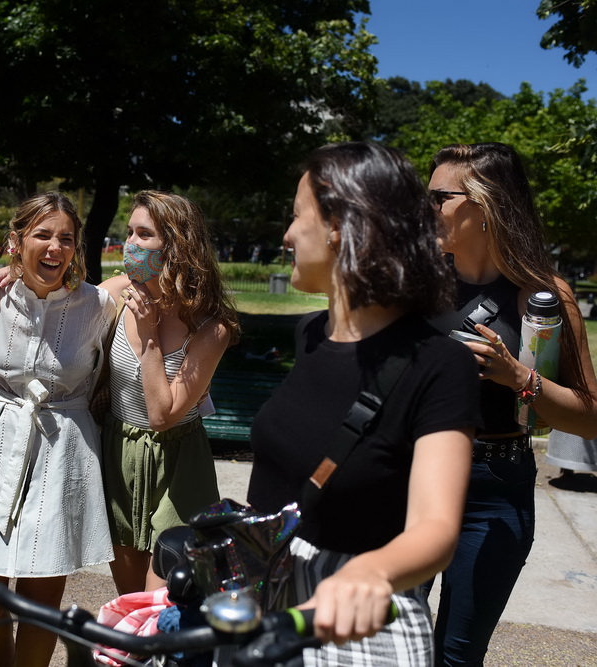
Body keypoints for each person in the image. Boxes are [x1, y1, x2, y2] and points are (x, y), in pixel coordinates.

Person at [247, 142, 479, 663]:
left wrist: (371, 573)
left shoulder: (440, 365)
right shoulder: (309, 334)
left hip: (358, 628)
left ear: (338, 225)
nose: (286, 235)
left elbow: (435, 527)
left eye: (296, 215)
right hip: (267, 602)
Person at [425, 142, 597, 666]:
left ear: (484, 204)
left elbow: (589, 416)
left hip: (495, 491)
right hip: (412, 479)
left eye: (438, 197)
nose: (426, 209)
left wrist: (519, 377)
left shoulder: (543, 296)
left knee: (456, 654)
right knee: (390, 645)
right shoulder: (416, 285)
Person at [0, 192, 117, 667]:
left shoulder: (97, 304)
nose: (55, 248)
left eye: (65, 238)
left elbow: (135, 281)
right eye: (42, 235)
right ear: (17, 239)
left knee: (40, 589)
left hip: (64, 448)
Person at [99, 191, 240, 594]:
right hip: (119, 452)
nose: (130, 244)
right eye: (130, 232)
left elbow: (164, 415)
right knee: (129, 598)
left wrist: (149, 341)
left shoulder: (210, 328)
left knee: (165, 599)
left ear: (176, 246)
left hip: (179, 461)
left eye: (144, 234)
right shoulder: (115, 294)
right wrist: (5, 275)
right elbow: (52, 301)